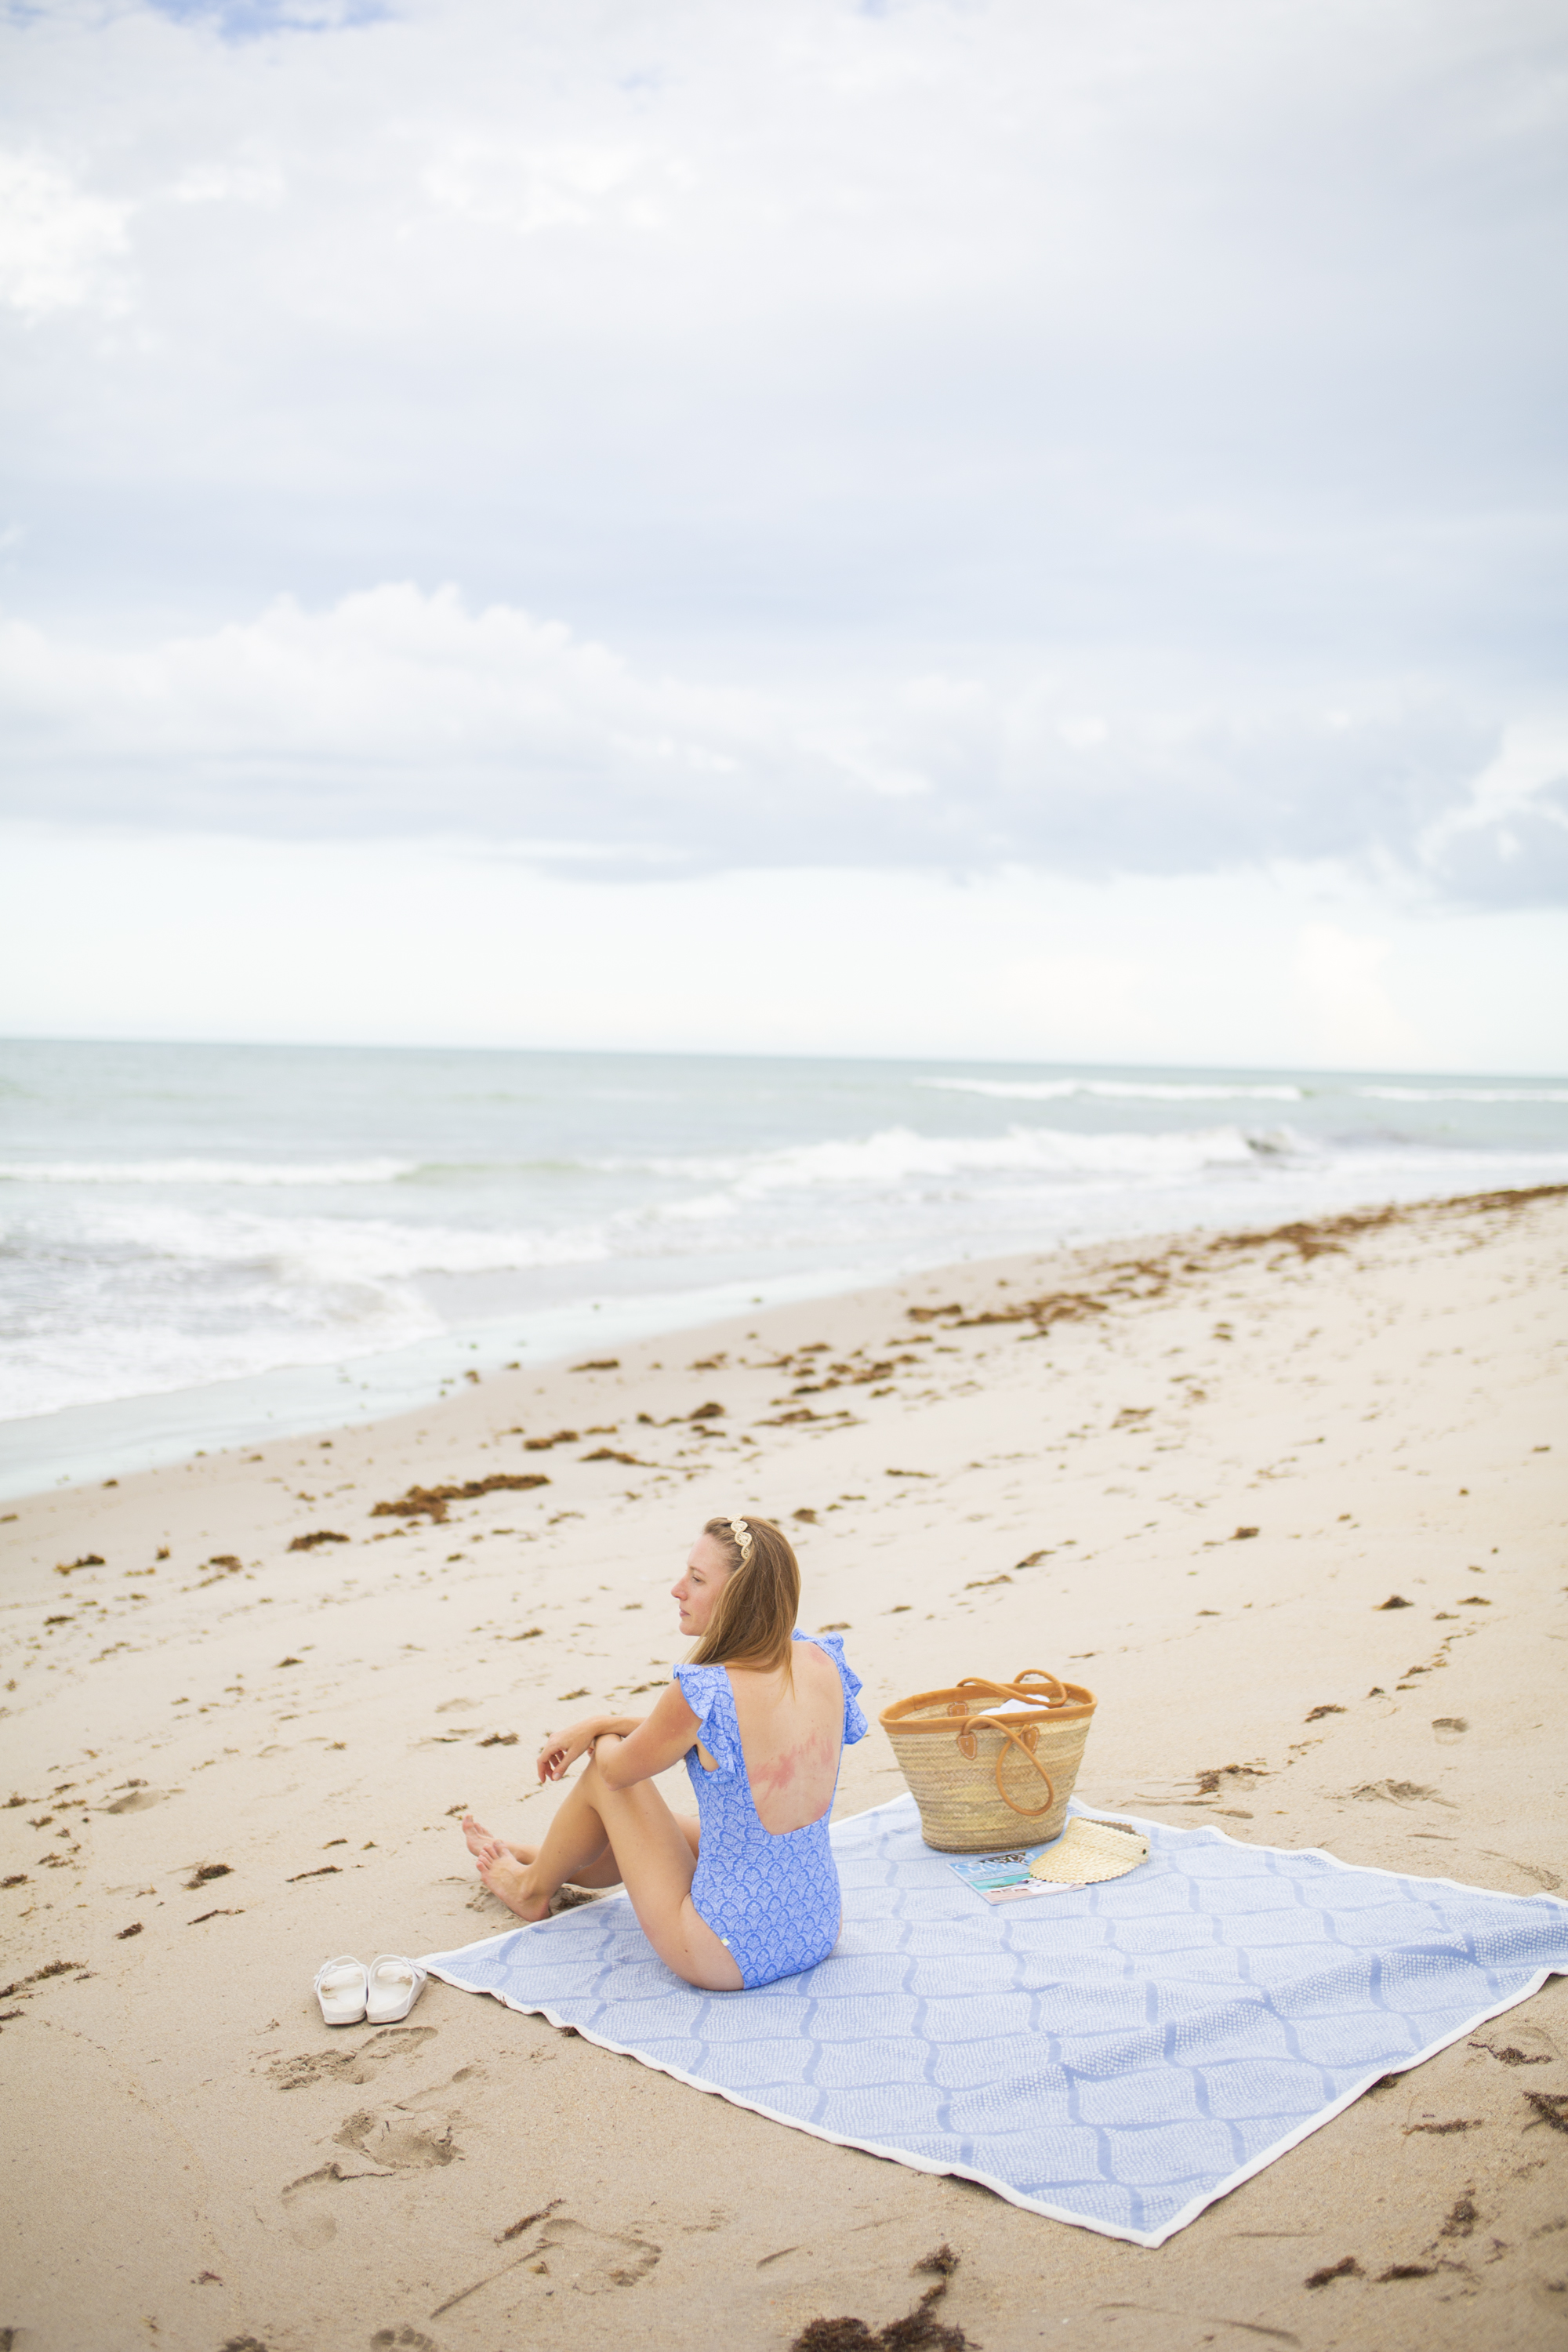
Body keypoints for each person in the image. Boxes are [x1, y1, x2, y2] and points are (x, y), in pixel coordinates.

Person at [460, 1514, 867, 1991]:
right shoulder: (820, 1661)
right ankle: (541, 1855)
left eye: (696, 1579)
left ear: (740, 1598)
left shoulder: (704, 1690)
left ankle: (530, 1888)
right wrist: (605, 1723)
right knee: (673, 1828)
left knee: (604, 1781)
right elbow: (728, 1731)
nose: (678, 1590)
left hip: (725, 1950)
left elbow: (616, 1772)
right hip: (817, 1926)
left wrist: (598, 1733)